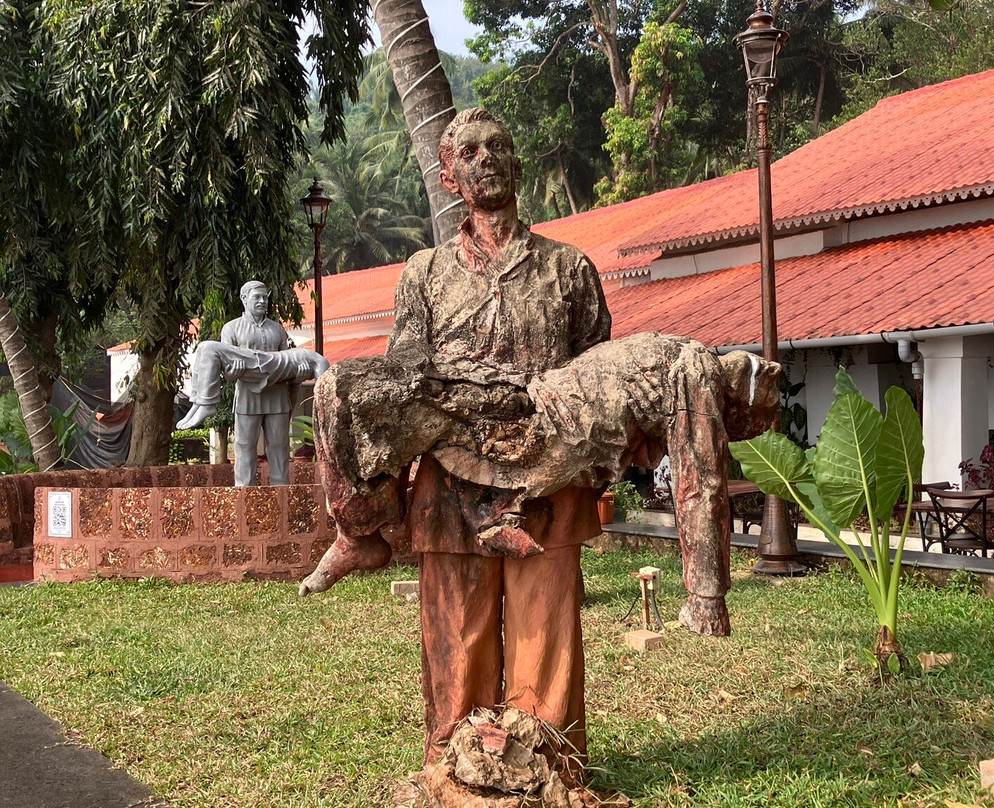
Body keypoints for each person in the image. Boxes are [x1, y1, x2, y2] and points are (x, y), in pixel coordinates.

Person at [302, 109, 780, 778]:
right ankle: (451, 768)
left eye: (499, 145)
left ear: (517, 164)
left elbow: (593, 371)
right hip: (454, 472)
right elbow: (406, 370)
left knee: (545, 631)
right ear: (450, 176)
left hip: (548, 471)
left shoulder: (568, 268)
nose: (487, 157)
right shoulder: (424, 273)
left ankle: (549, 767)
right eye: (469, 150)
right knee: (457, 641)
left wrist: (602, 458)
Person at [219, 281, 307, 486]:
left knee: (279, 448)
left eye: (265, 297)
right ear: (244, 299)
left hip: (277, 396)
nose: (262, 301)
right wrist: (235, 370)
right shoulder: (231, 328)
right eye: (257, 297)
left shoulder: (277, 329)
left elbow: (288, 363)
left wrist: (298, 374)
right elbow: (226, 371)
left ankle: (281, 495)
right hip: (247, 397)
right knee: (245, 447)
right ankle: (244, 497)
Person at [177, 341, 329, 431]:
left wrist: (297, 379)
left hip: (266, 366)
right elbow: (322, 391)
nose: (262, 301)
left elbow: (315, 393)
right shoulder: (314, 359)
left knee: (208, 348)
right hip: (264, 362)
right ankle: (199, 403)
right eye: (257, 296)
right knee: (203, 348)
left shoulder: (316, 361)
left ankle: (206, 403)